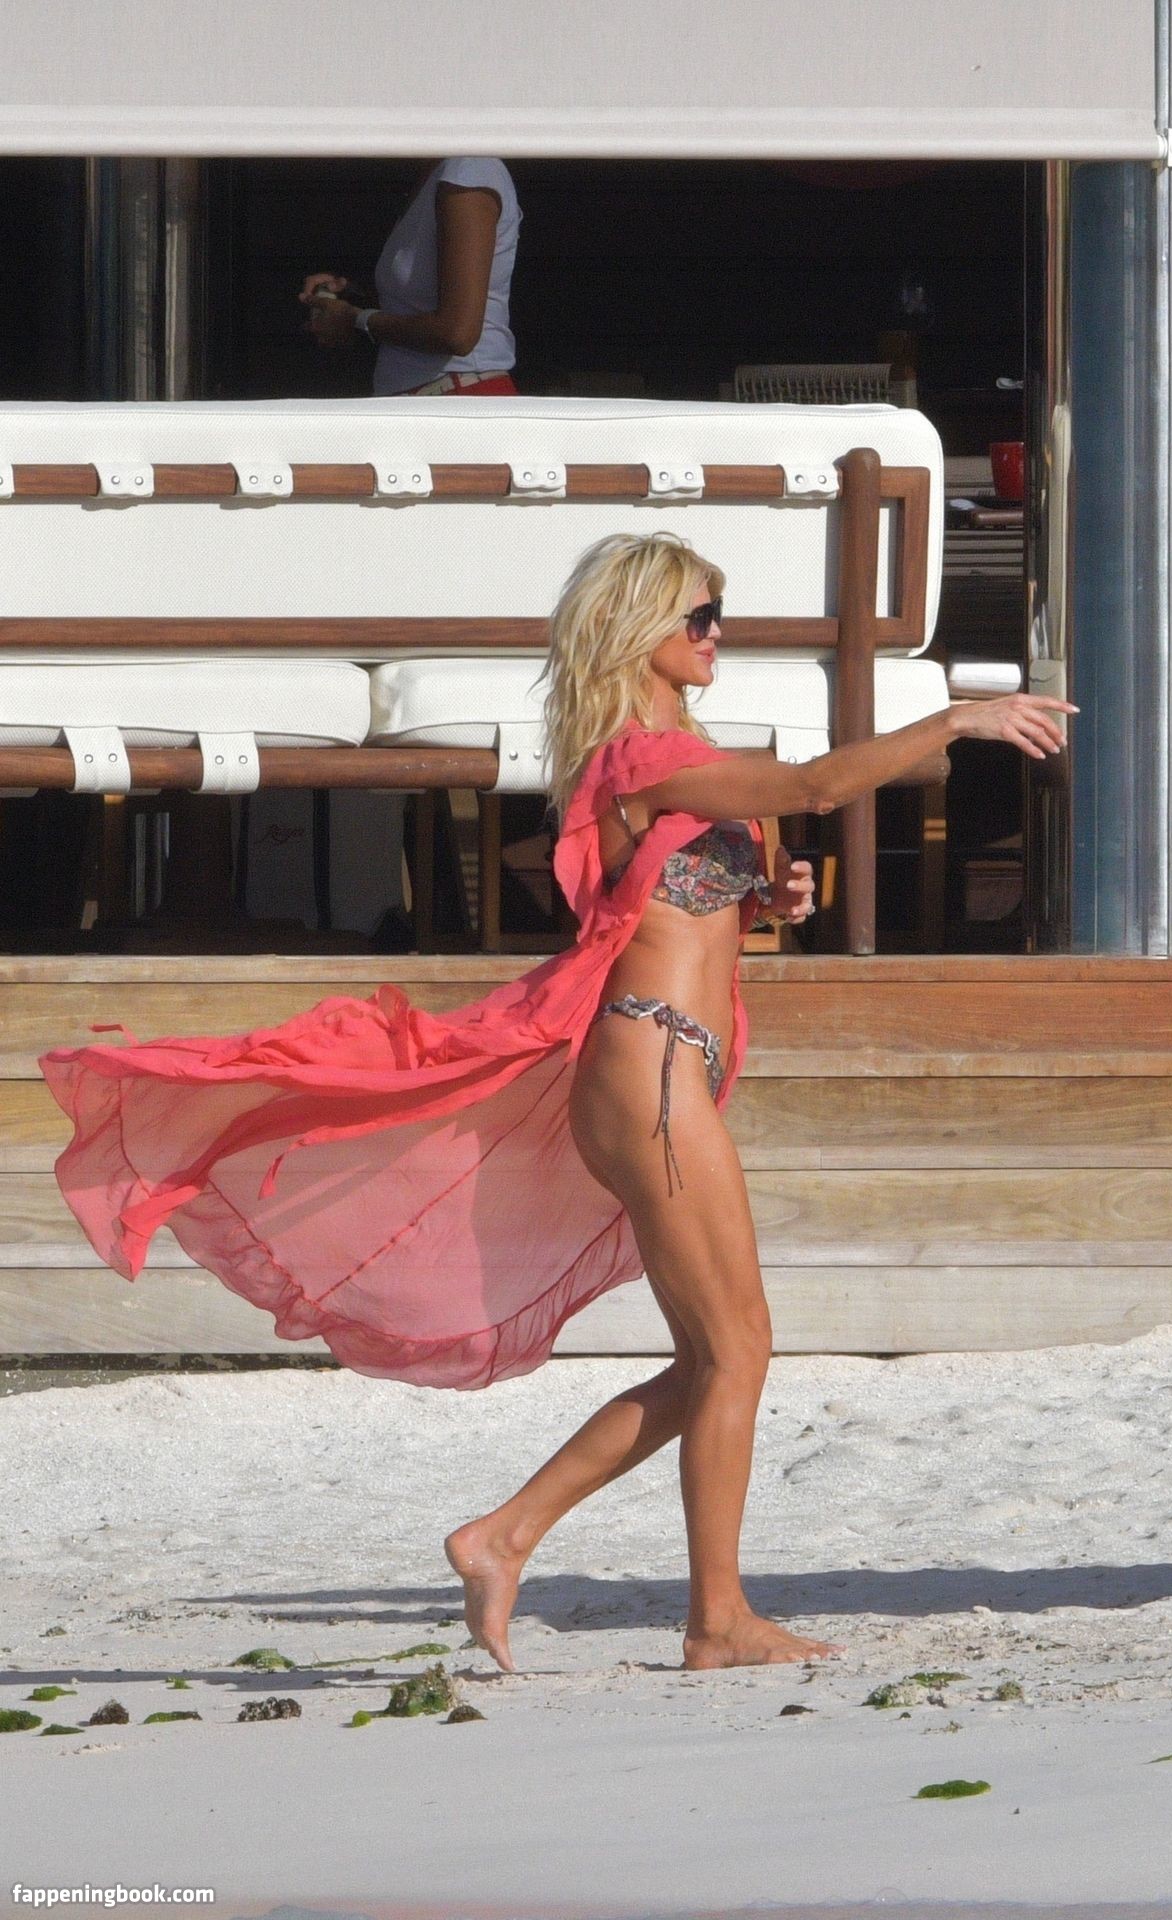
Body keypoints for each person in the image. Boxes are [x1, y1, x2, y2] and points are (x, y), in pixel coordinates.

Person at [38, 532, 1077, 1674]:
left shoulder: (684, 759)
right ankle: (716, 1620)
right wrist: (956, 721)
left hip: (668, 1069)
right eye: (698, 616)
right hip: (650, 1070)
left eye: (718, 615)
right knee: (738, 1351)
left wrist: (770, 894)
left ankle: (505, 1536)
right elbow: (816, 786)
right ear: (639, 630)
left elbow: (696, 899)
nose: (715, 635)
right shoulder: (638, 756)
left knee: (714, 1357)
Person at [299, 157, 521, 396]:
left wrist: (355, 318)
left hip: (458, 397)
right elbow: (414, 305)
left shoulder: (470, 169)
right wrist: (350, 296)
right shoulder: (435, 175)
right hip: (427, 396)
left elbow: (457, 334)